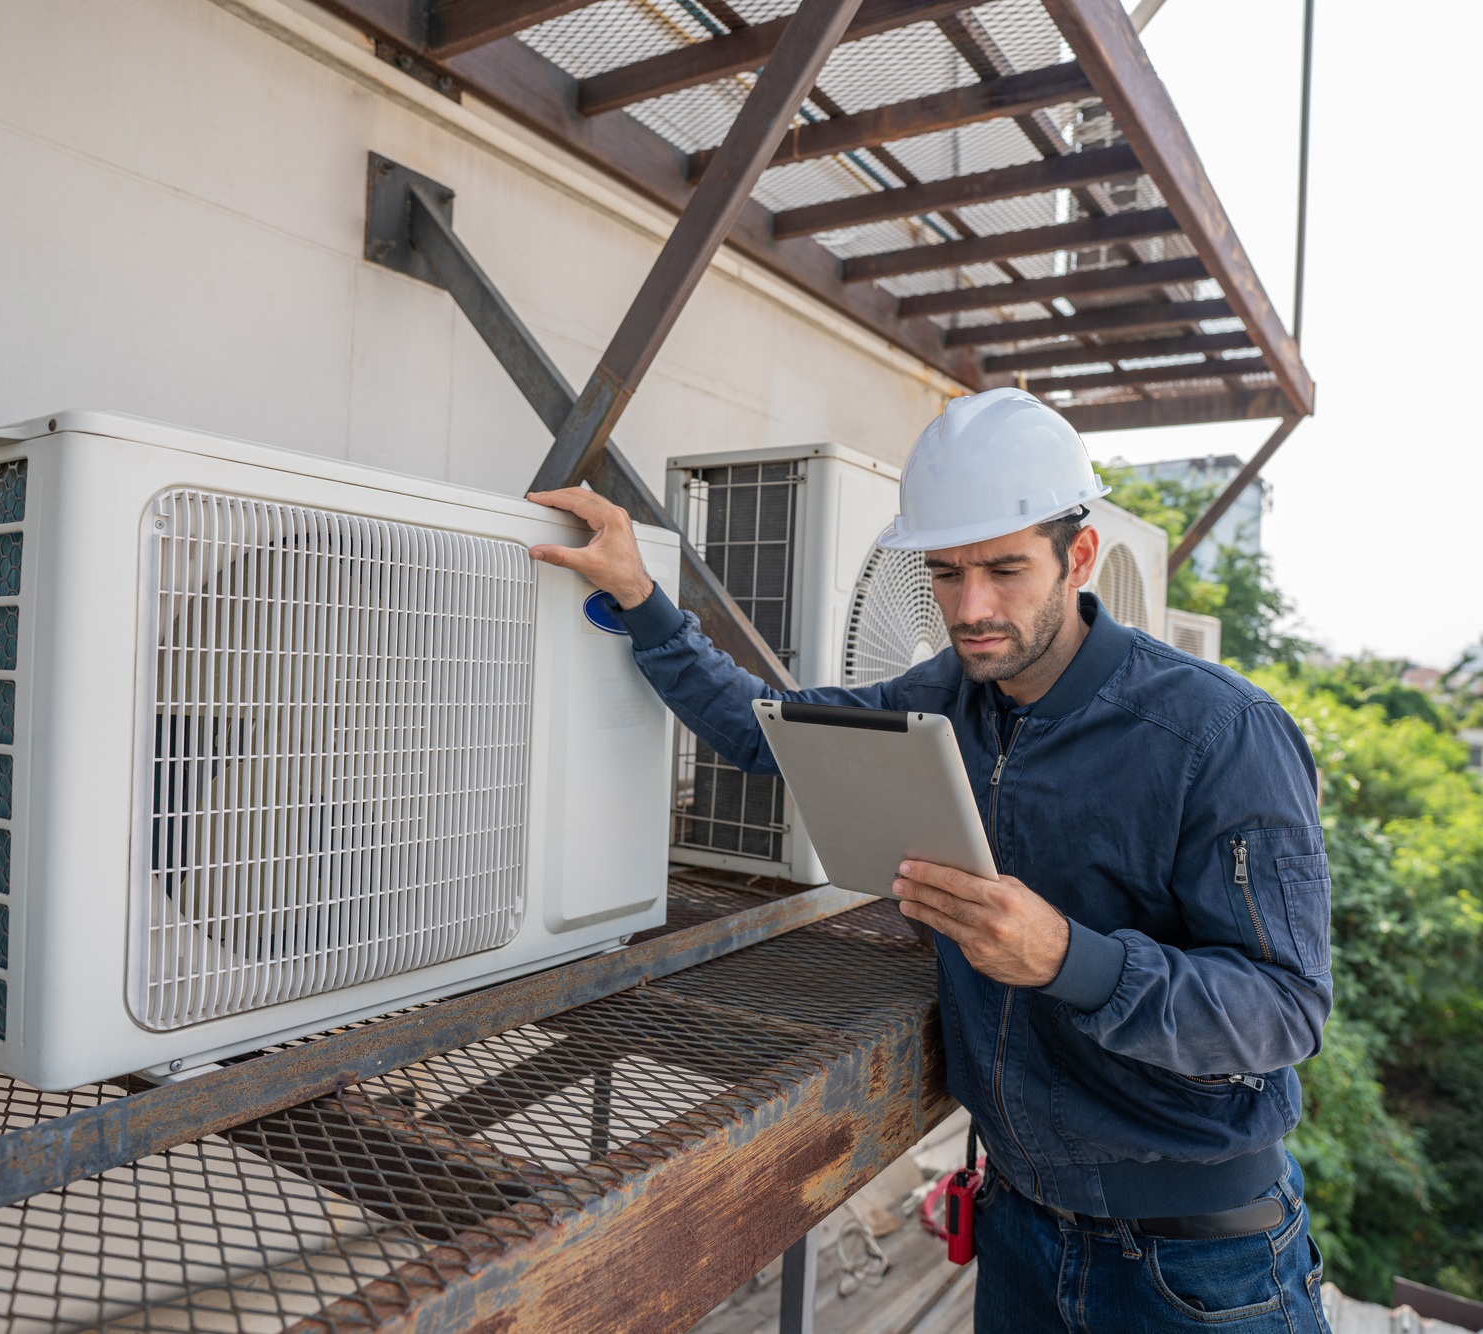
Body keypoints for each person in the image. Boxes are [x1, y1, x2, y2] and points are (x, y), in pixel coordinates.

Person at [529, 387, 1332, 1333]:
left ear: (1080, 556)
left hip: (1198, 1263)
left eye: (1004, 569)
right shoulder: (949, 696)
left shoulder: (1222, 734)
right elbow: (775, 737)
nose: (973, 607)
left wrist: (1070, 960)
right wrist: (639, 599)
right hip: (1021, 1228)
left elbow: (1285, 1011)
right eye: (945, 575)